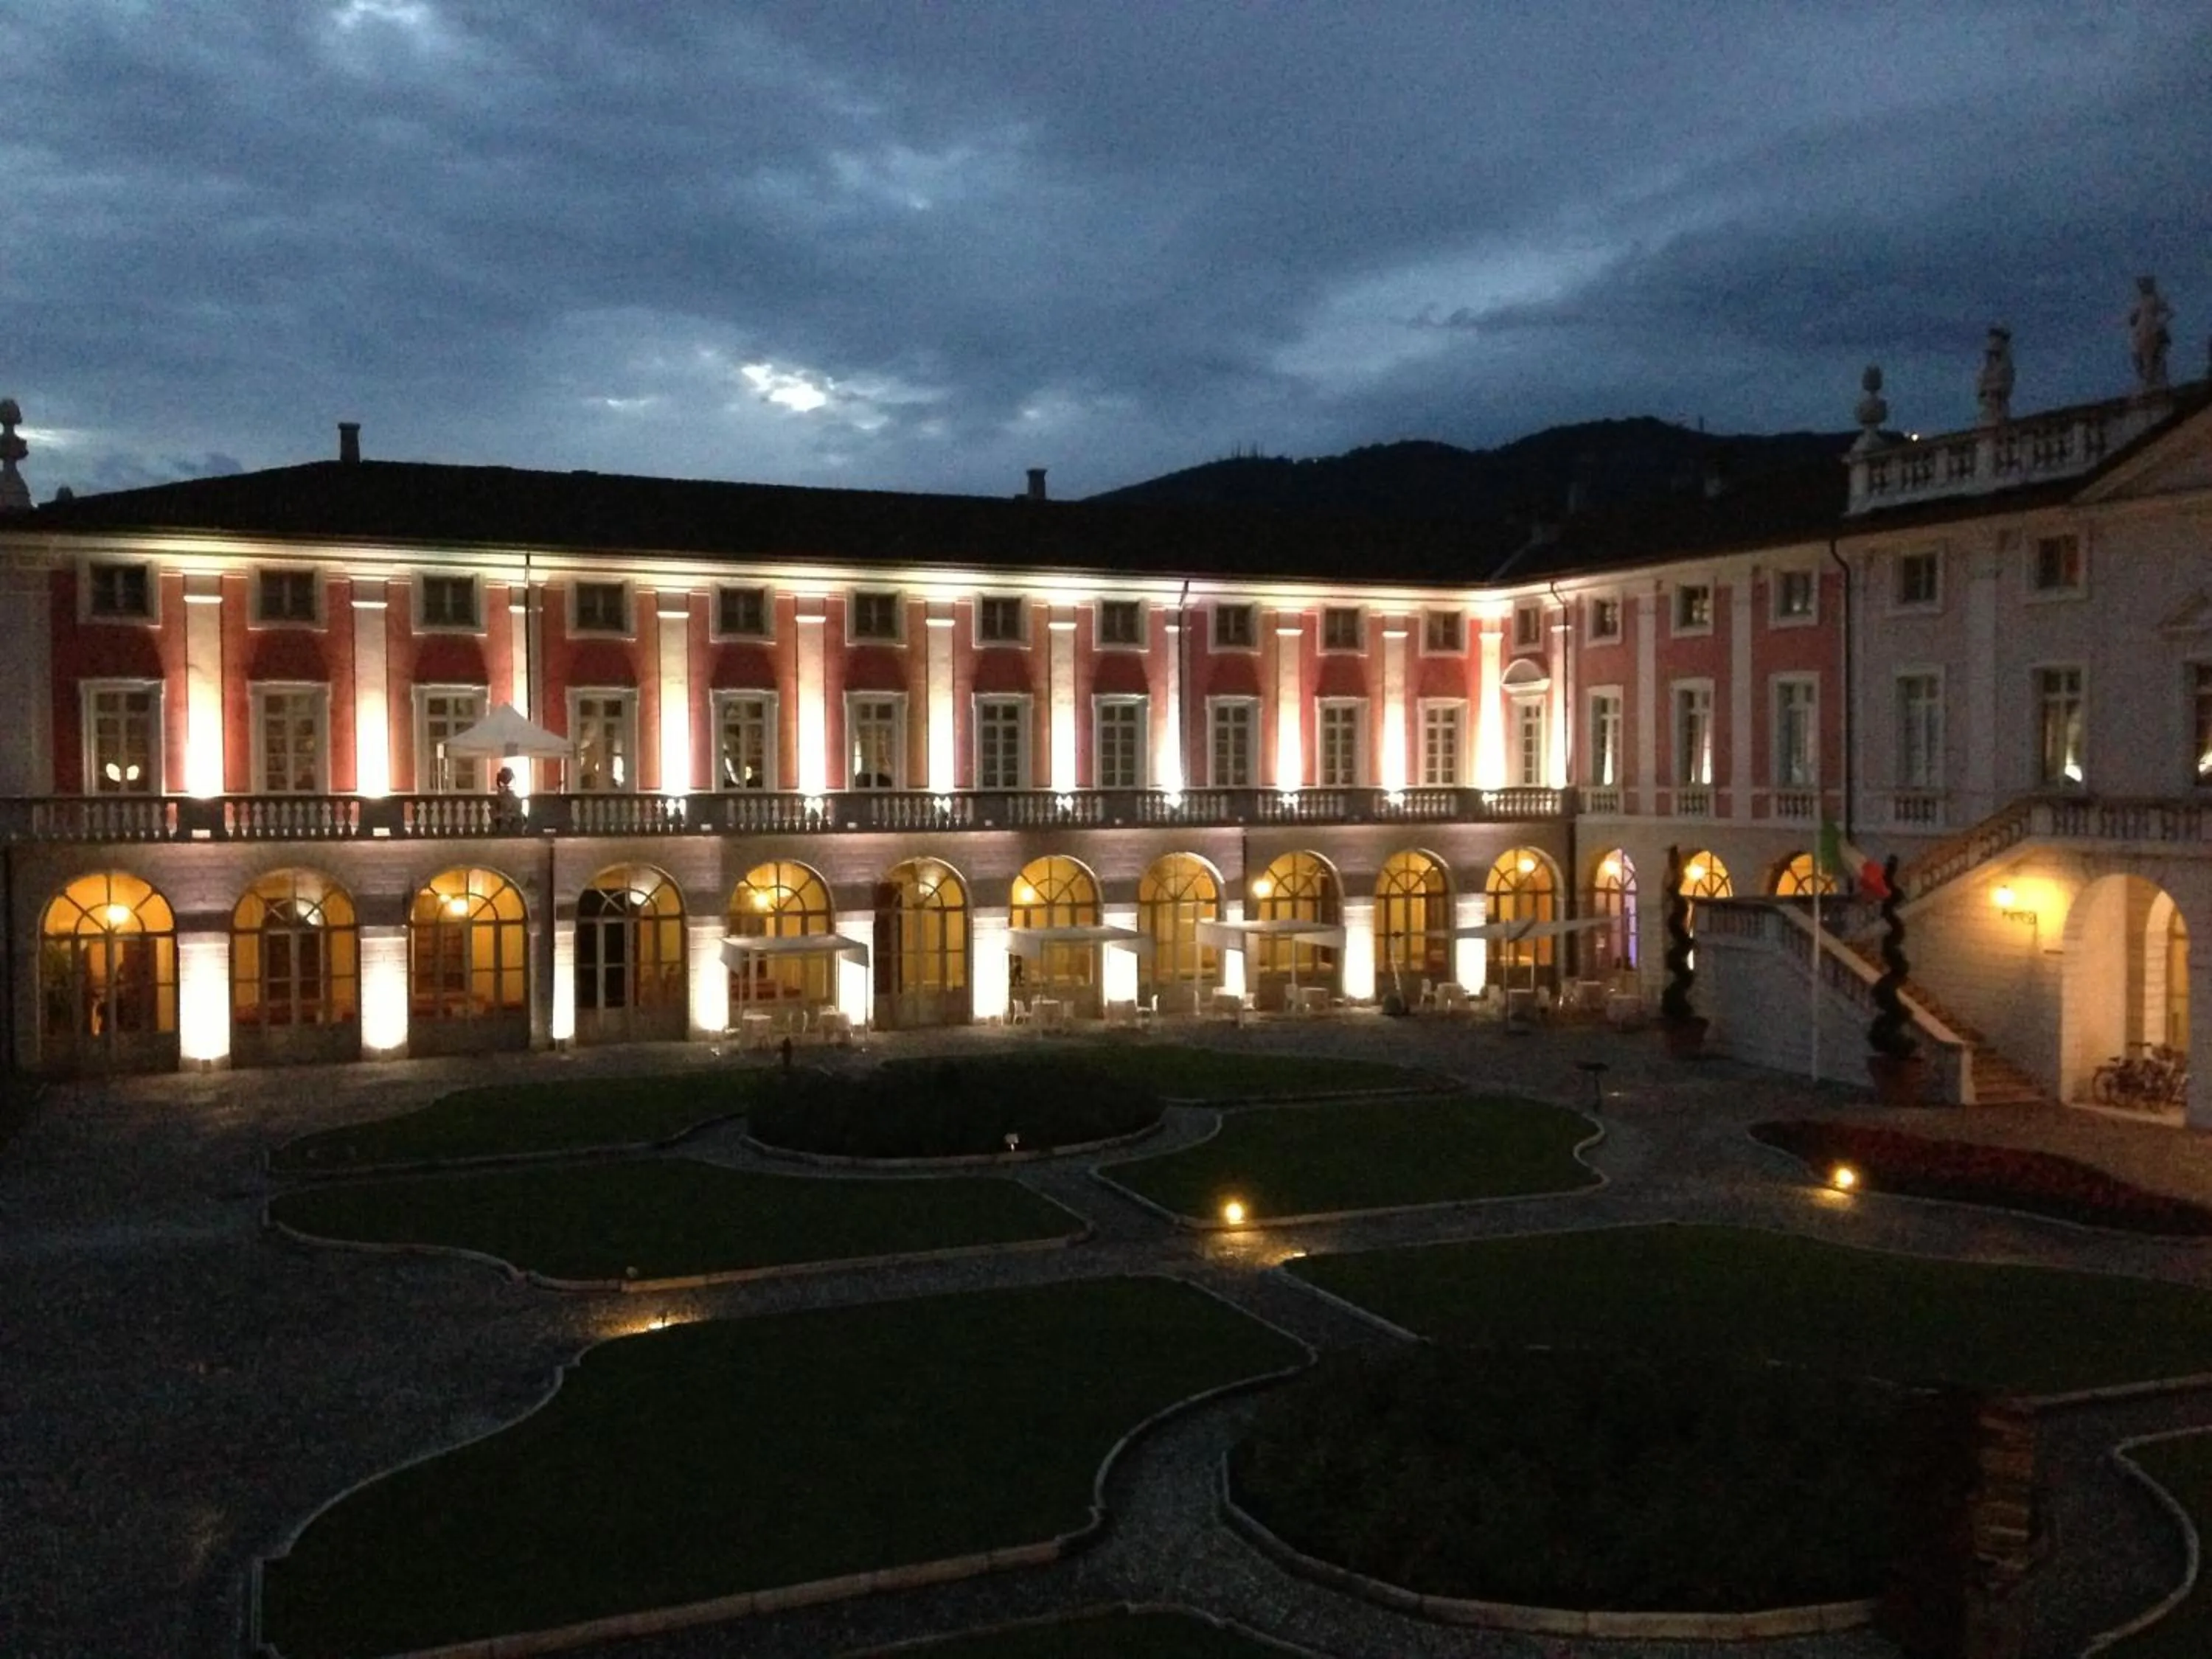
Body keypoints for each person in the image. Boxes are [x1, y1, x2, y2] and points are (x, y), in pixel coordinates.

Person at [2130, 275, 2174, 392]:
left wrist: (2161, 323)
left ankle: (2152, 381)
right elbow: (2133, 317)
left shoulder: (2155, 299)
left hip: (2152, 330)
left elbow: (2170, 312)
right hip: (2141, 332)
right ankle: (2147, 380)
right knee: (2140, 356)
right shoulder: (2140, 302)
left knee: (2152, 356)